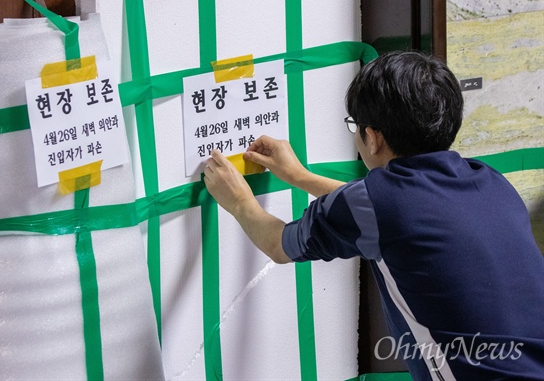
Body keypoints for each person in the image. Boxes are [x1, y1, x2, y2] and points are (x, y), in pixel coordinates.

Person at [202, 51, 544, 380]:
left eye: (355, 127)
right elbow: (388, 210)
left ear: (373, 137)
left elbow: (279, 245)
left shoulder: (379, 204)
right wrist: (299, 177)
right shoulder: (491, 183)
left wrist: (239, 202)